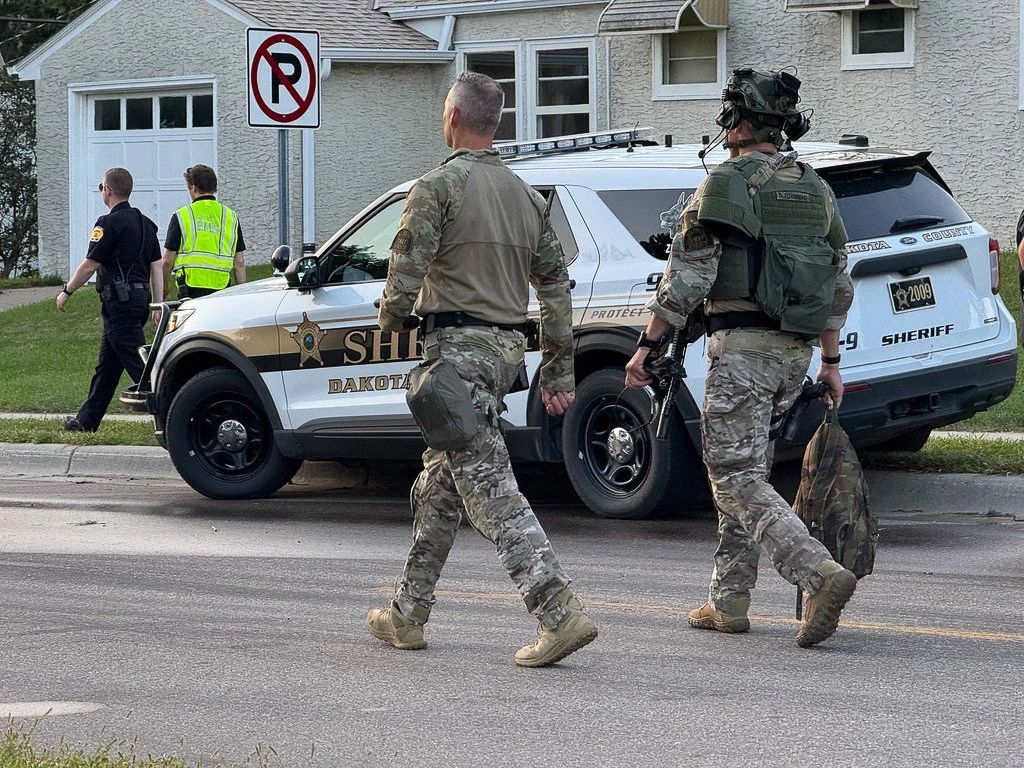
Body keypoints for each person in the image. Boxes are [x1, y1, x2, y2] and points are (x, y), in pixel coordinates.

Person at [367, 71, 598, 667]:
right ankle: (407, 614)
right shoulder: (526, 196)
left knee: (491, 491)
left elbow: (405, 270)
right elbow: (555, 289)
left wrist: (392, 319)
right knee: (441, 488)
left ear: (452, 118)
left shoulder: (438, 186)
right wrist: (558, 371)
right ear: (495, 125)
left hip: (456, 357)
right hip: (503, 358)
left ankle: (558, 611)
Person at [625, 68, 858, 648]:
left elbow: (687, 278)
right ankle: (729, 599)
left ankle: (818, 573)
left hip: (743, 352)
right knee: (743, 469)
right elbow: (839, 283)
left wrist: (648, 347)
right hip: (794, 354)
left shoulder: (727, 182)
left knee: (733, 475)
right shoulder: (815, 189)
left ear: (739, 122)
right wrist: (829, 363)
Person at [58, 167, 163, 432]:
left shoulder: (107, 223)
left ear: (108, 190)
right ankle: (86, 421)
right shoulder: (146, 223)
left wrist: (67, 290)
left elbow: (90, 264)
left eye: (101, 188)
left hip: (120, 304)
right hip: (138, 302)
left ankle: (178, 413)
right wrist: (157, 304)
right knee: (108, 367)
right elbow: (157, 266)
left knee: (142, 369)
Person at [162, 164, 246, 299]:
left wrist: (163, 288)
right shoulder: (230, 216)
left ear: (193, 187)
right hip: (222, 288)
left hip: (190, 289)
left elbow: (167, 260)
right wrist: (241, 294)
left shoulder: (182, 215)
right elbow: (239, 262)